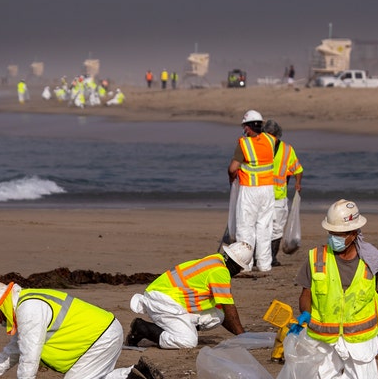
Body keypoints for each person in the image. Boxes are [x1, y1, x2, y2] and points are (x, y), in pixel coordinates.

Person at [289, 199, 378, 379]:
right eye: (331, 233)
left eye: (339, 234)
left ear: (353, 233)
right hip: (325, 338)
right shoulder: (316, 257)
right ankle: (334, 375)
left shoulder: (370, 259)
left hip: (359, 337)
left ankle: (345, 375)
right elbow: (306, 293)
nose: (334, 238)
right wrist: (305, 313)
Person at [0, 282, 170, 379]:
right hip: (104, 332)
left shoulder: (28, 309)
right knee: (91, 378)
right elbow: (16, 347)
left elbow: (29, 353)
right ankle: (135, 372)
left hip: (100, 339)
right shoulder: (27, 301)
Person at [127, 241, 254, 349]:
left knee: (218, 315)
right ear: (237, 266)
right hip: (164, 301)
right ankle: (142, 328)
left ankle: (180, 327)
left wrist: (240, 335)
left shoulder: (215, 259)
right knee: (188, 342)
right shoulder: (220, 272)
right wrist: (242, 337)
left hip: (168, 297)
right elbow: (229, 306)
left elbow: (225, 311)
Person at [228, 110, 277, 272]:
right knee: (264, 227)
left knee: (245, 227)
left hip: (249, 190)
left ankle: (245, 264)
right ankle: (264, 264)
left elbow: (233, 168)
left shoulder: (244, 144)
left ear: (248, 127)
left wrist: (231, 179)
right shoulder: (271, 140)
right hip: (268, 190)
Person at [262, 119, 303, 267]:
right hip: (274, 196)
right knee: (275, 228)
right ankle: (270, 257)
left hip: (265, 194)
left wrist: (297, 183)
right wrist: (298, 183)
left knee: (264, 226)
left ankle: (268, 257)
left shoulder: (260, 147)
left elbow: (297, 170)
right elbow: (298, 170)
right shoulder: (287, 149)